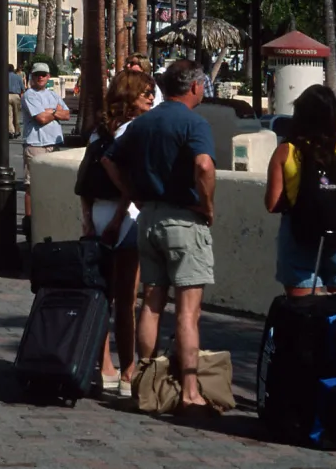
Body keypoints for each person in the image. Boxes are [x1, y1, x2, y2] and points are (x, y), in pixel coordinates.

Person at [106, 60, 219, 414]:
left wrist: (135, 194)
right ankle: (188, 392)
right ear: (195, 87)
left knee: (150, 304)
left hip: (149, 218)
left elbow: (109, 161)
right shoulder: (194, 123)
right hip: (183, 220)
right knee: (188, 312)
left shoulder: (142, 123)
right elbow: (203, 165)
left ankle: (144, 382)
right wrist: (207, 205)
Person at [76, 69, 156, 397]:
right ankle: (128, 370)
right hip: (125, 217)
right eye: (145, 93)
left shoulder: (98, 132)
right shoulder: (135, 131)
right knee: (126, 300)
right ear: (129, 96)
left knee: (101, 296)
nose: (151, 98)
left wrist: (88, 220)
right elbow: (132, 180)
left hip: (98, 213)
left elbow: (84, 180)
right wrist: (119, 216)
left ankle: (104, 366)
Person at [264, 84, 336, 297]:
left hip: (300, 235)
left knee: (303, 316)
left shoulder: (285, 151)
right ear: (332, 117)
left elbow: (272, 204)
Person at [21, 62, 68, 233]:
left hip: (53, 144)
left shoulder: (54, 95)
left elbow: (67, 114)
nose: (40, 77)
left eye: (43, 74)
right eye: (37, 74)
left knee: (52, 183)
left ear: (48, 77)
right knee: (32, 185)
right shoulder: (29, 95)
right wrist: (55, 113)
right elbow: (40, 118)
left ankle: (48, 218)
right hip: (35, 144)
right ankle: (30, 221)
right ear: (31, 77)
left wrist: (52, 112)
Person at [7, 63, 26, 139]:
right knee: (16, 114)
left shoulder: (3, 77)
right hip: (16, 95)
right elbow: (22, 88)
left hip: (6, 95)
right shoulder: (18, 77)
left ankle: (10, 131)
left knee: (9, 115)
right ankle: (17, 131)